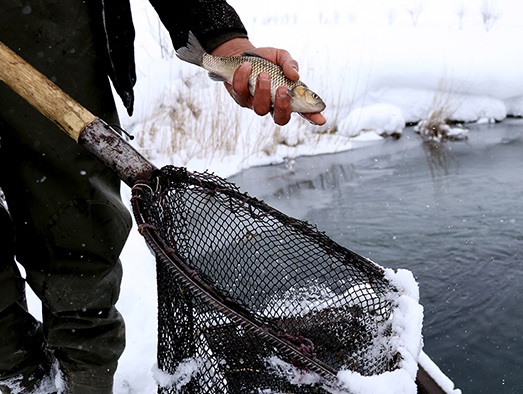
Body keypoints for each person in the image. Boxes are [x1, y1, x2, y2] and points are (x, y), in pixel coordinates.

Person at [0, 1, 325, 393]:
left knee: (74, 228)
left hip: (49, 25)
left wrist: (217, 31)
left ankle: (83, 382)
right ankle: (18, 377)